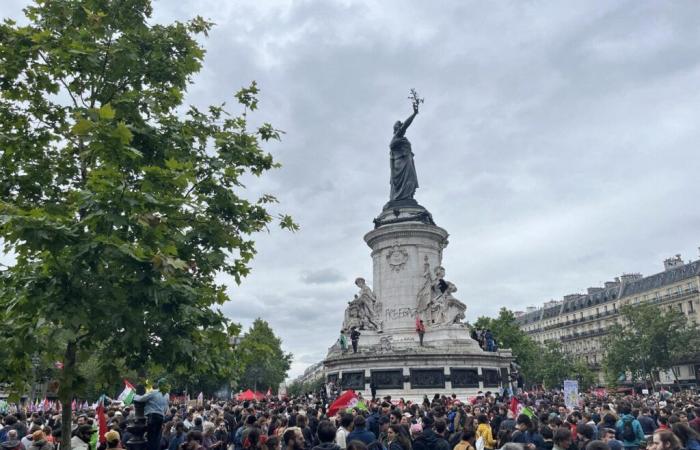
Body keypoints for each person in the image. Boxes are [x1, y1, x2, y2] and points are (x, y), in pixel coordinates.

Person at [389, 99, 419, 202]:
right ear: (396, 128)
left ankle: (407, 198)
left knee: (410, 181)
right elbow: (406, 124)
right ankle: (402, 198)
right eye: (399, 124)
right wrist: (414, 114)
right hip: (401, 163)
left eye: (400, 124)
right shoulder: (397, 136)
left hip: (406, 161)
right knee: (408, 181)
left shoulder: (400, 138)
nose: (401, 125)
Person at [133, 379, 170, 450]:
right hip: (161, 417)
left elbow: (141, 399)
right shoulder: (167, 395)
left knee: (151, 437)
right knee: (156, 437)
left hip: (152, 417)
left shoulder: (154, 392)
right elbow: (166, 408)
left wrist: (135, 396)